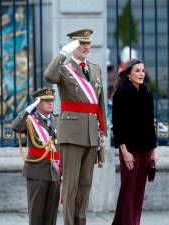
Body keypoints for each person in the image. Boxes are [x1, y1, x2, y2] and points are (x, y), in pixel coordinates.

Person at [44, 28, 106, 225]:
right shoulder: (64, 68)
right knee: (70, 187)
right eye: (82, 43)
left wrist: (102, 129)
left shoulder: (95, 69)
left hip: (90, 134)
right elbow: (48, 75)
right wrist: (63, 53)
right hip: (71, 134)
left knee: (85, 186)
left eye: (88, 43)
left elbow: (100, 102)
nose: (86, 46)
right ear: (73, 45)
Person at [111, 58, 157, 225]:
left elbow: (150, 123)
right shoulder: (121, 94)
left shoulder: (147, 93)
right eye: (137, 70)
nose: (141, 73)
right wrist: (124, 151)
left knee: (138, 191)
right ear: (129, 74)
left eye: (143, 70)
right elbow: (118, 126)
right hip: (129, 150)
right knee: (128, 190)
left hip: (146, 149)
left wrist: (154, 150)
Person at [12, 88, 61, 225]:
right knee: (36, 214)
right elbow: (15, 126)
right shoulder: (30, 120)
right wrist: (28, 109)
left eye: (51, 100)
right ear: (38, 103)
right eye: (46, 101)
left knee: (51, 216)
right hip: (37, 172)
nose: (50, 103)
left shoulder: (57, 119)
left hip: (55, 172)